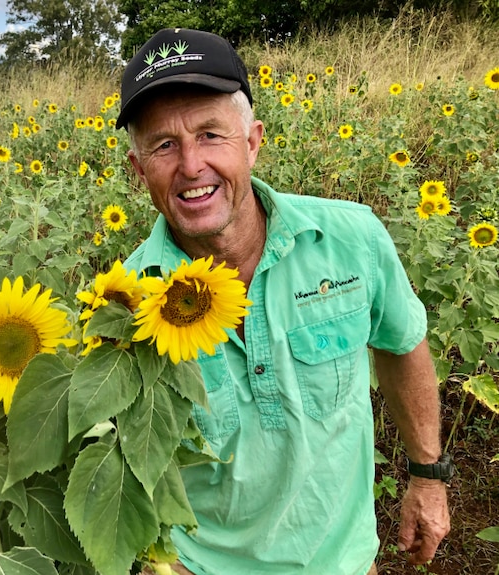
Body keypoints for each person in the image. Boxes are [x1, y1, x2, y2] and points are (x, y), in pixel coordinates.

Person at [117, 28, 452, 575]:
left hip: (340, 559)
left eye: (210, 134)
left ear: (252, 141)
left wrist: (426, 475)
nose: (191, 165)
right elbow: (129, 457)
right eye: (163, 145)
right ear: (139, 171)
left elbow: (402, 345)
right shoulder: (126, 303)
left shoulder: (349, 239)